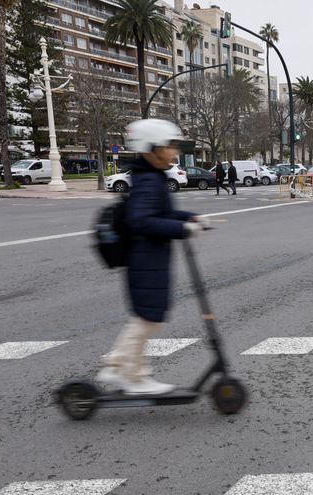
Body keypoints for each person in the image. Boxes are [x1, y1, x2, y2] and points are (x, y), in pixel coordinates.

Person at [97, 119, 207, 395]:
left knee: (146, 318)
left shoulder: (151, 177)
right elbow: (142, 220)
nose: (175, 153)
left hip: (149, 259)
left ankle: (117, 366)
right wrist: (181, 228)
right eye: (170, 147)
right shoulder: (148, 180)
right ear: (151, 149)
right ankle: (131, 376)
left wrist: (188, 217)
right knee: (148, 318)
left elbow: (161, 214)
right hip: (145, 260)